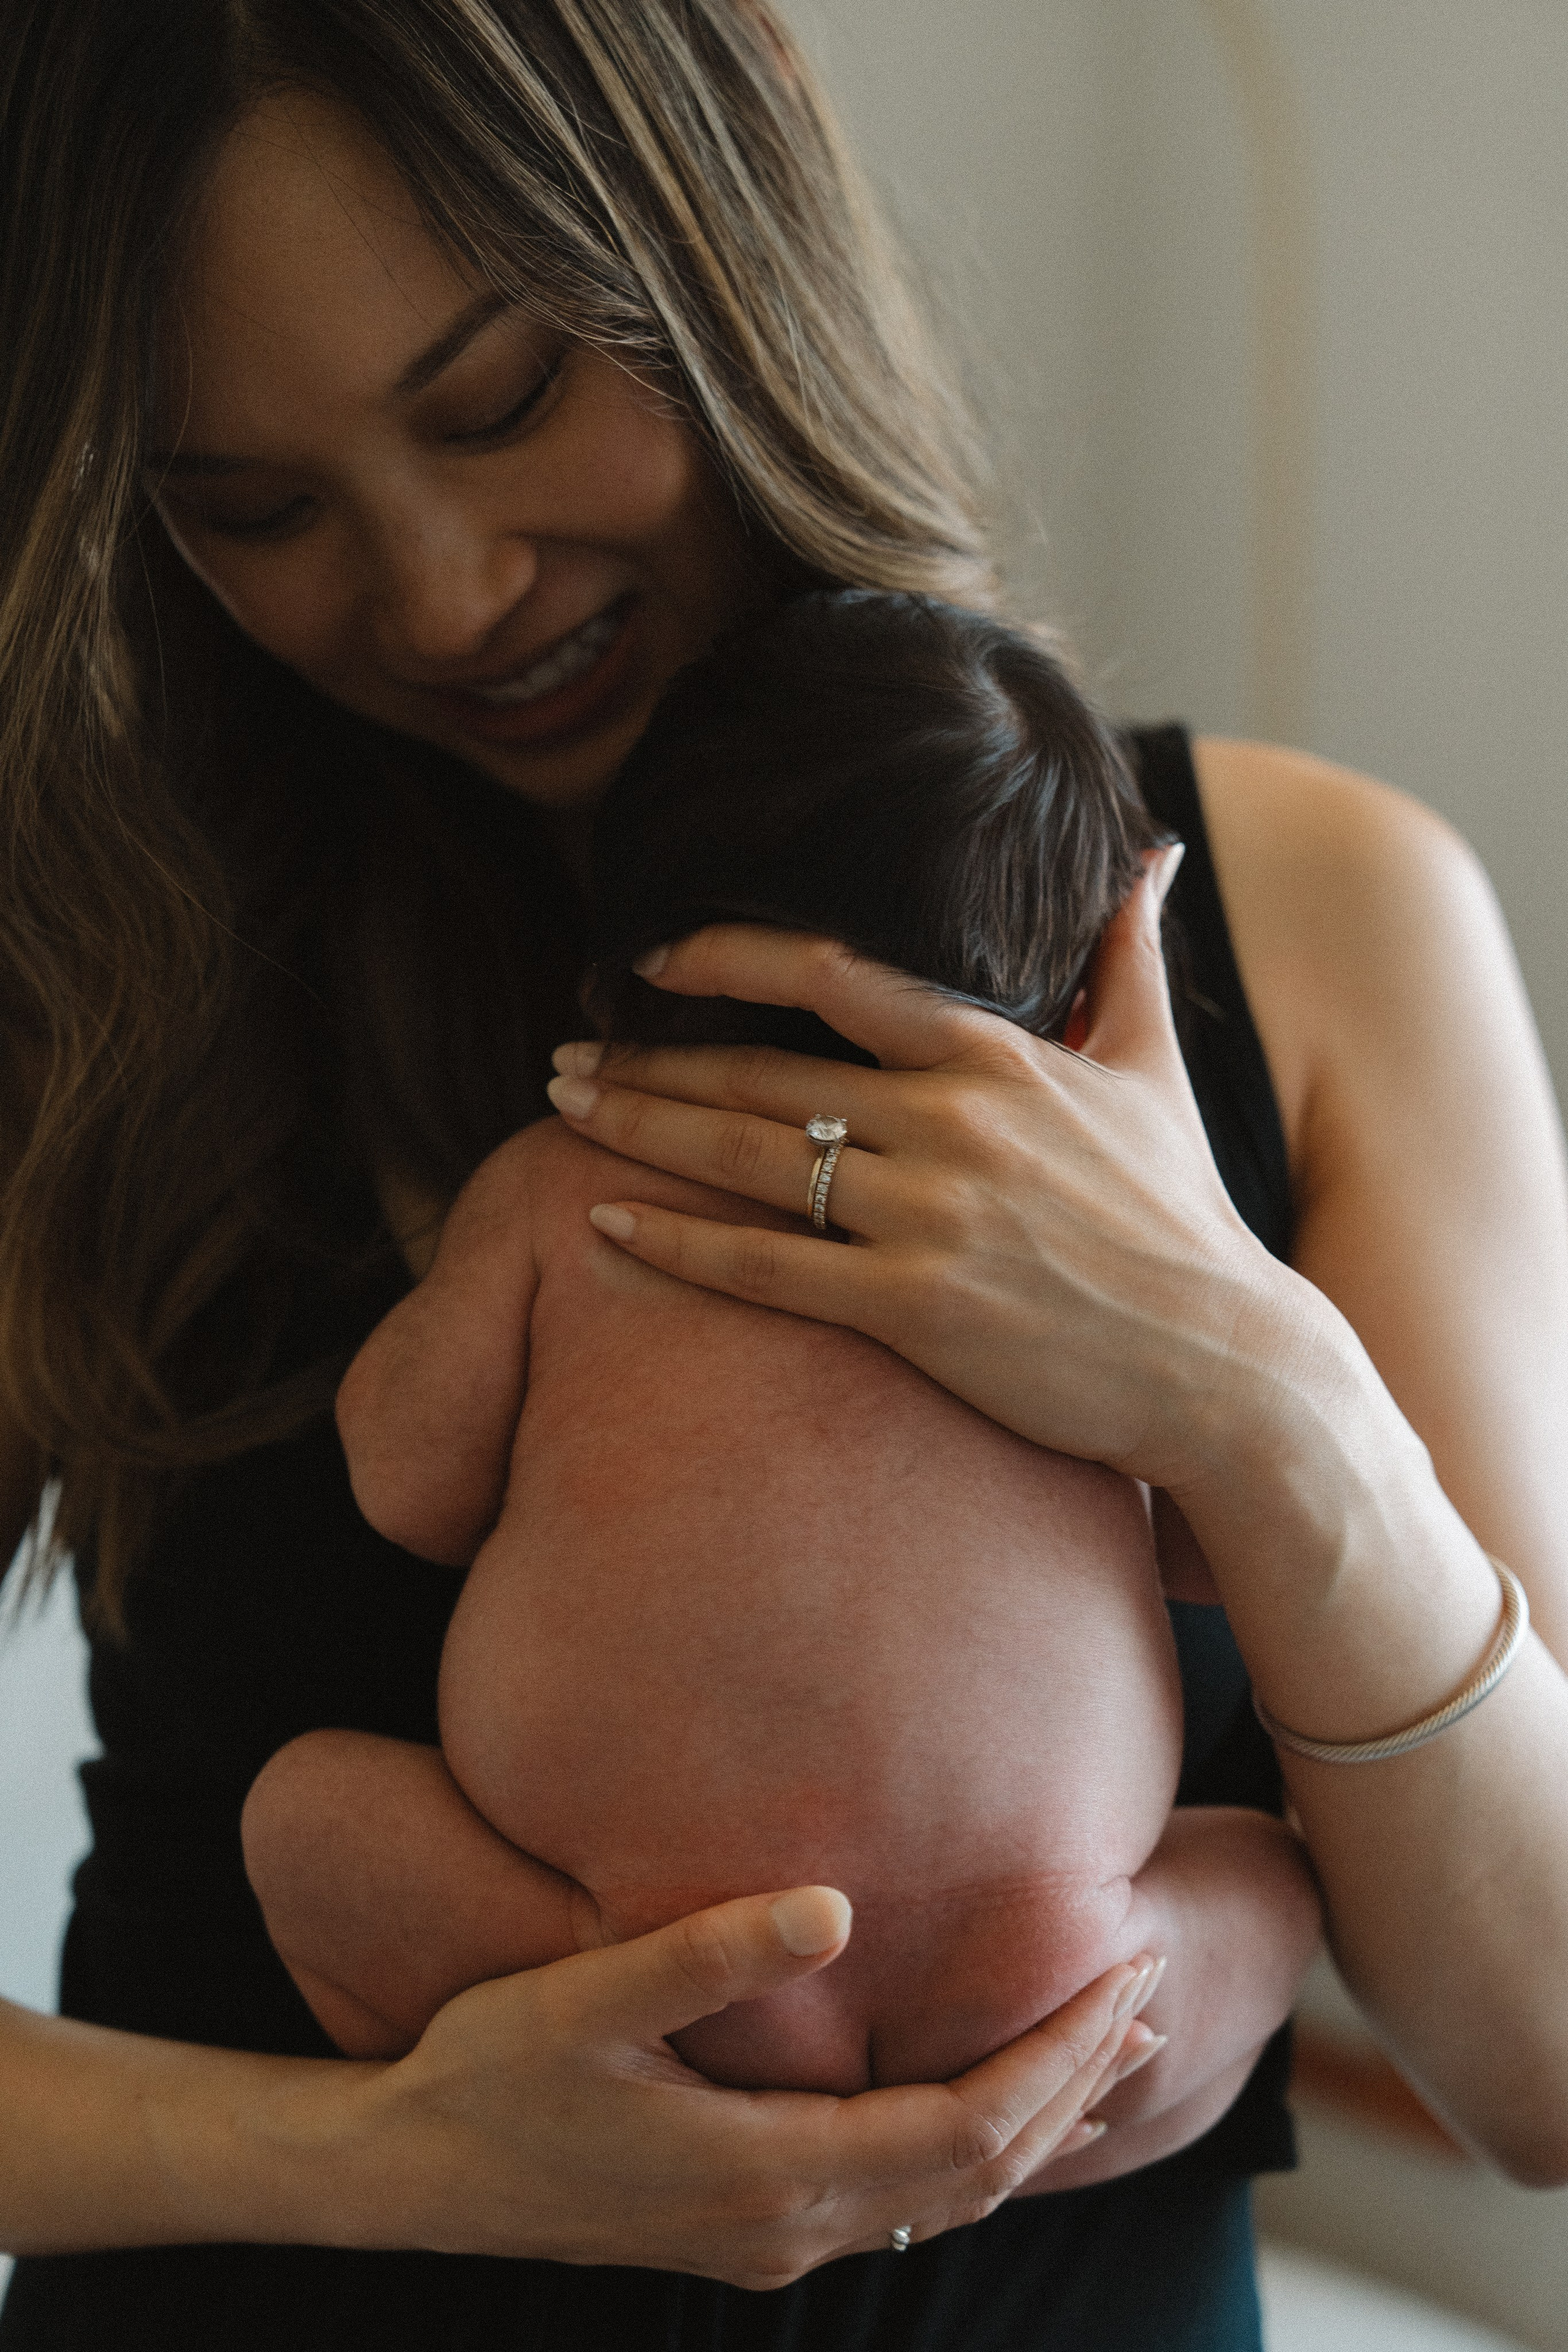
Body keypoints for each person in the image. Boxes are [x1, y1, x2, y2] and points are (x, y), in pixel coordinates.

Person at [0, 4, 1565, 2348]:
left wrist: (1267, 1403)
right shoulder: (90, 1001)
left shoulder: (1322, 918)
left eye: (500, 401)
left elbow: (1543, 2067)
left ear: (720, 236)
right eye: (254, 509)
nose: (441, 591)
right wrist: (396, 2157)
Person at [239, 590, 1321, 2101]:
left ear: (624, 961)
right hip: (1046, 1968)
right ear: (1082, 1012)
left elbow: (411, 1491)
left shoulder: (563, 1186)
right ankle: (1007, 2132)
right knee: (1266, 1882)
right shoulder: (1092, 1263)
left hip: (642, 1964)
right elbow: (1222, 1562)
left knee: (304, 1818)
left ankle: (613, 2091)